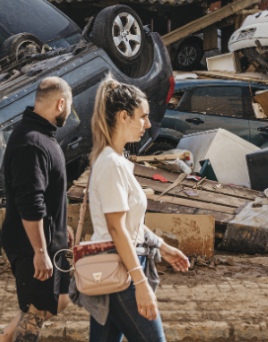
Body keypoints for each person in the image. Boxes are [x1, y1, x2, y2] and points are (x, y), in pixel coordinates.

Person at [71, 76, 190, 342]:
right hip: (120, 270)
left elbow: (129, 222)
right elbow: (117, 229)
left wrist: (162, 247)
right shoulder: (112, 164)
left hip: (119, 264)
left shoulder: (116, 160)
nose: (147, 124)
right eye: (143, 116)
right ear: (124, 116)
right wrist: (140, 283)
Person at [0, 76, 73, 342]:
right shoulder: (32, 144)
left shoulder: (42, 136)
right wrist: (40, 252)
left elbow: (47, 193)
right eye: (69, 107)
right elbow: (30, 202)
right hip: (32, 247)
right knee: (36, 312)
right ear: (60, 103)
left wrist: (61, 226)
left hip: (49, 240)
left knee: (61, 298)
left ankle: (2, 339)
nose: (70, 114)